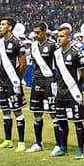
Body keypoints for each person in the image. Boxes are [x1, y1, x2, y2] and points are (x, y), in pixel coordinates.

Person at [51, 22, 84, 159]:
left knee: (77, 121)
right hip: (60, 93)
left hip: (73, 92)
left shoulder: (76, 53)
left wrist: (78, 85)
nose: (58, 39)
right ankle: (63, 147)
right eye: (57, 37)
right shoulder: (56, 54)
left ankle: (80, 149)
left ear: (69, 38)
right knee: (61, 121)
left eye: (61, 36)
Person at [0, 18, 27, 151]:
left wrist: (17, 78)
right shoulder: (0, 42)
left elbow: (23, 63)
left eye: (3, 24)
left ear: (10, 27)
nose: (0, 27)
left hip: (13, 82)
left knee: (17, 110)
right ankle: (8, 140)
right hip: (2, 81)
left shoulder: (17, 42)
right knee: (5, 110)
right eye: (0, 24)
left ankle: (22, 142)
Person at [26, 22, 57, 153]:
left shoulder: (52, 45)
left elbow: (57, 64)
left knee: (53, 112)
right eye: (35, 33)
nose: (36, 35)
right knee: (37, 112)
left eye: (38, 32)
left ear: (45, 31)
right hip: (37, 80)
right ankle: (38, 143)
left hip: (49, 80)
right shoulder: (33, 46)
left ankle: (59, 144)